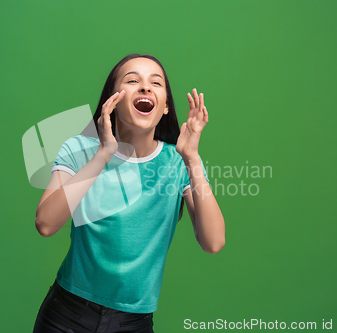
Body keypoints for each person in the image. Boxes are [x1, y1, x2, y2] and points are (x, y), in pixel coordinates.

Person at [32, 53, 225, 333]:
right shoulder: (79, 150)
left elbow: (214, 242)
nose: (145, 87)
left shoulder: (178, 162)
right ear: (113, 99)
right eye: (132, 80)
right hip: (66, 316)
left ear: (166, 107)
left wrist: (192, 159)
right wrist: (102, 156)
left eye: (155, 83)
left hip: (133, 323)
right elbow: (46, 224)